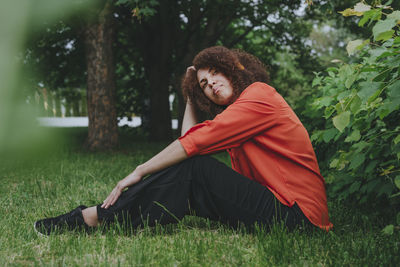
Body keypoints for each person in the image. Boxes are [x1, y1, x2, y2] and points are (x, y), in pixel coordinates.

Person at [34, 46, 333, 235]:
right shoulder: (234, 114)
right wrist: (191, 95)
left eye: (216, 73)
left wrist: (139, 170)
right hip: (277, 207)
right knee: (189, 173)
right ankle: (107, 216)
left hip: (298, 215)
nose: (211, 83)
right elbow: (188, 142)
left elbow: (195, 145)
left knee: (195, 170)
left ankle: (92, 217)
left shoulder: (260, 96)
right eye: (204, 83)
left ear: (234, 70)